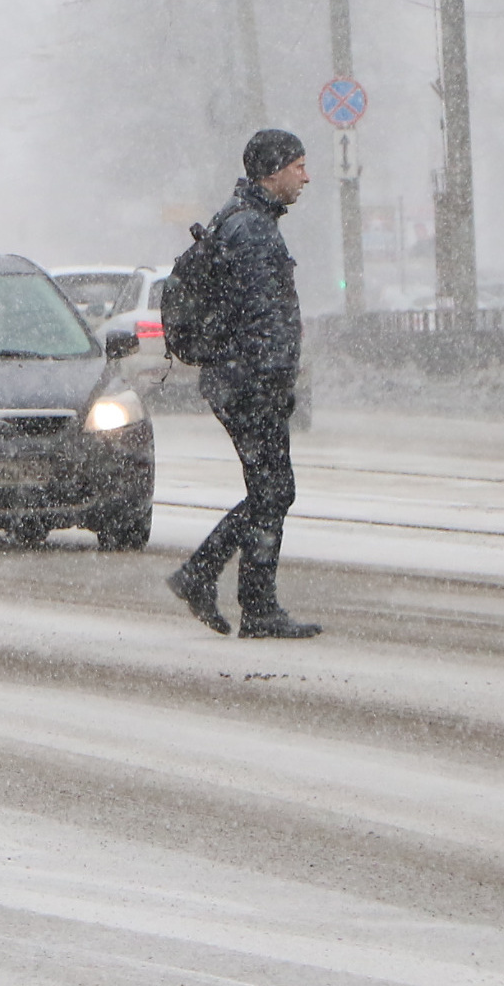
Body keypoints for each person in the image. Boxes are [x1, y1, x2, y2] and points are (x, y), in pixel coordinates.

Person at [167, 130, 323, 640]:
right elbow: (264, 319)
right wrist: (274, 381)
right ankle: (217, 583)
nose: (305, 176)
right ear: (272, 171)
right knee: (274, 489)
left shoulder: (239, 220)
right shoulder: (253, 230)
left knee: (269, 489)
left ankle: (247, 599)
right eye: (298, 166)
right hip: (248, 383)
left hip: (235, 379)